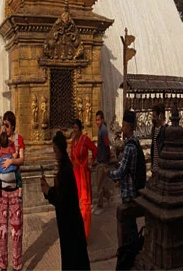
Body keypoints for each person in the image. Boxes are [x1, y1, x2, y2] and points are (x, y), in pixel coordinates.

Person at [42, 131, 90, 270]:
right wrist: (48, 189)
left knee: (73, 260)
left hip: (70, 223)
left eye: (55, 150)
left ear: (58, 150)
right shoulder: (65, 167)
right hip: (69, 222)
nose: (54, 154)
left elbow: (62, 200)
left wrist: (48, 191)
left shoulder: (65, 171)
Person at [0, 111, 24, 271]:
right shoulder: (2, 141)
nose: (5, 128)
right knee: (1, 231)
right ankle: (2, 265)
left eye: (7, 125)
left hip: (15, 192)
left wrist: (12, 160)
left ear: (13, 126)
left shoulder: (18, 140)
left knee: (16, 231)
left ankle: (17, 265)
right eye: (3, 124)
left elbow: (22, 160)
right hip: (2, 193)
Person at [109, 110, 142, 270]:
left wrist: (107, 173)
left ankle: (130, 259)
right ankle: (134, 255)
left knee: (128, 229)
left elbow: (121, 172)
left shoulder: (130, 147)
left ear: (128, 126)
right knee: (131, 227)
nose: (121, 128)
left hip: (129, 193)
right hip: (131, 190)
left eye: (123, 125)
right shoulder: (134, 143)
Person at [69, 119, 97, 241]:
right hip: (75, 174)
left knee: (85, 205)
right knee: (76, 203)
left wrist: (91, 163)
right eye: (73, 128)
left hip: (84, 174)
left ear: (80, 129)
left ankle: (85, 234)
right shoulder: (73, 142)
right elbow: (71, 159)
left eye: (76, 128)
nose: (74, 130)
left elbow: (95, 150)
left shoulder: (85, 139)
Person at [92, 111, 112, 213]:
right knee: (102, 183)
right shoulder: (101, 130)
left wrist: (107, 157)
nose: (97, 122)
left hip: (103, 160)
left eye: (99, 120)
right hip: (100, 159)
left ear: (102, 120)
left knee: (99, 185)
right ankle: (109, 196)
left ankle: (100, 206)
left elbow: (106, 144)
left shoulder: (103, 130)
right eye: (96, 120)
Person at [150, 103, 167, 173]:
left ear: (160, 116)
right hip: (155, 166)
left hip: (162, 166)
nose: (153, 119)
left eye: (155, 116)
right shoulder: (153, 129)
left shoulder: (165, 129)